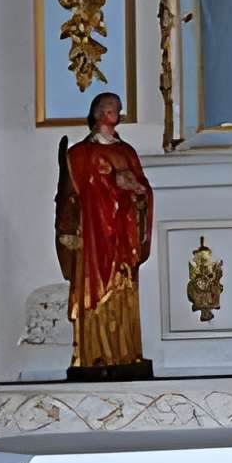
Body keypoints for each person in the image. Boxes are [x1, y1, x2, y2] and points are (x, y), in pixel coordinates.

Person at [55, 92, 154, 375]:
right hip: (94, 236)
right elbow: (68, 196)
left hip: (122, 235)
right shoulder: (78, 155)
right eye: (113, 110)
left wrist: (136, 190)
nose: (118, 115)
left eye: (120, 110)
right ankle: (93, 354)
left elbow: (144, 191)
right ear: (99, 114)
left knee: (123, 290)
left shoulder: (127, 153)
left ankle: (124, 352)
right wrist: (68, 228)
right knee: (94, 290)